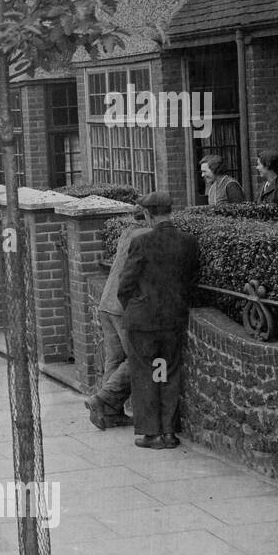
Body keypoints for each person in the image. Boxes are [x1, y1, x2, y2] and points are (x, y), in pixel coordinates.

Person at [116, 192, 200, 450]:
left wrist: (132, 305)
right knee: (168, 372)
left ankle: (151, 433)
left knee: (146, 374)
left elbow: (126, 283)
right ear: (169, 211)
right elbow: (192, 280)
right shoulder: (189, 241)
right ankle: (169, 433)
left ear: (149, 214)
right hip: (173, 319)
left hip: (143, 321)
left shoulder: (142, 242)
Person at [84, 216, 148, 430]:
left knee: (114, 358)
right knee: (138, 357)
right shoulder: (145, 235)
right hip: (123, 305)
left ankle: (110, 413)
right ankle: (103, 398)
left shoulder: (126, 233)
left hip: (107, 301)